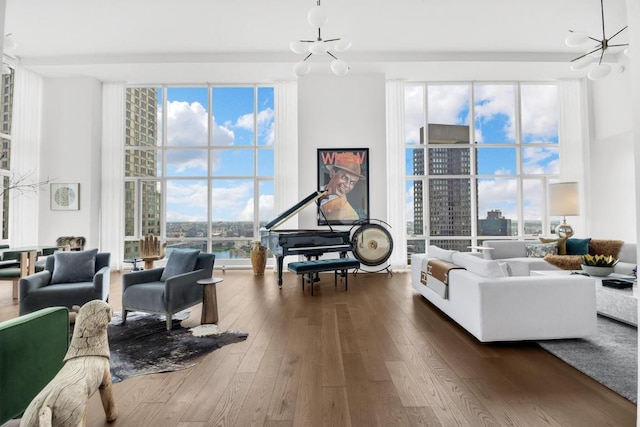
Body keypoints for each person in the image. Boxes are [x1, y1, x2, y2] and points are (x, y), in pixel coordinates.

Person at [320, 152, 366, 221]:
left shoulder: (350, 215)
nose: (347, 185)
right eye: (345, 178)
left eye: (352, 183)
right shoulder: (317, 190)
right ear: (332, 173)